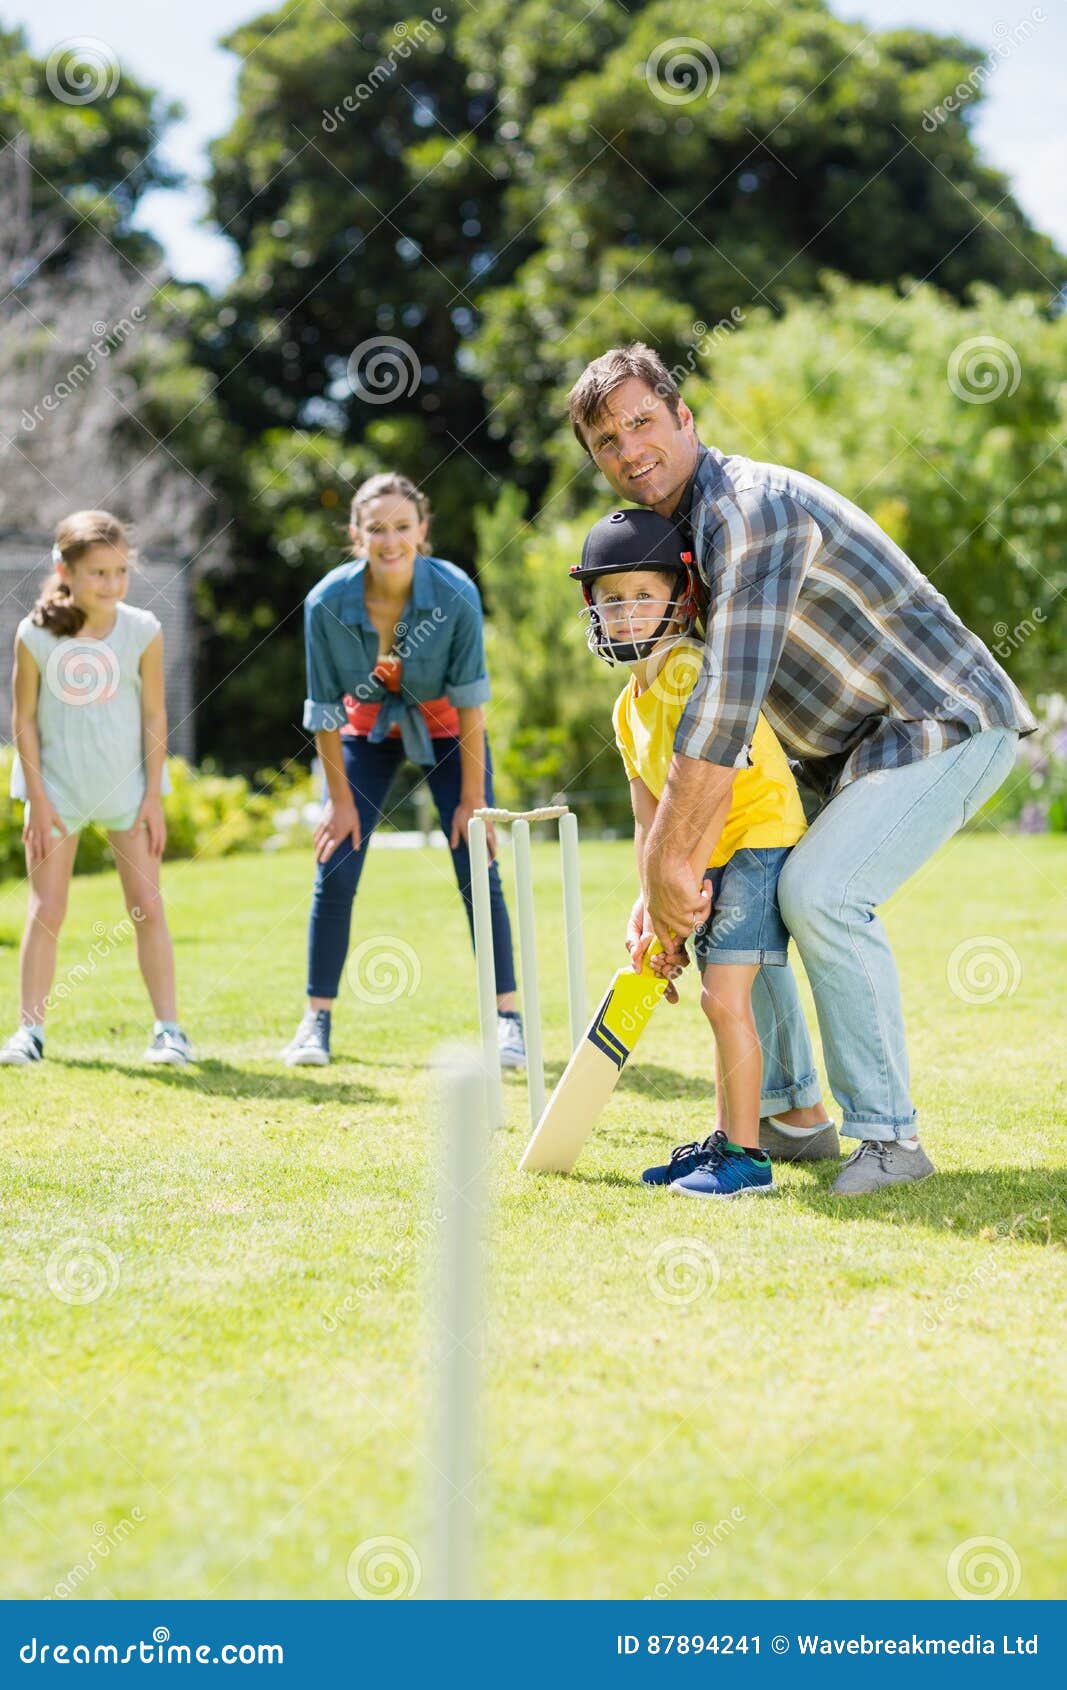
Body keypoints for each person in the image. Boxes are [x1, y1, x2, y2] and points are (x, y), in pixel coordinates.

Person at [567, 342, 1035, 1194]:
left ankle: (890, 1143)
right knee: (746, 889)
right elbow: (696, 749)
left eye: (642, 421)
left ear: (684, 419)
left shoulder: (748, 513)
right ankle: (788, 1118)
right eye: (606, 440)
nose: (630, 448)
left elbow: (724, 709)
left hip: (941, 721)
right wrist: (664, 882)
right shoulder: (675, 548)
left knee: (819, 893)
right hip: (851, 756)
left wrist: (670, 865)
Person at [572, 506, 835, 1195]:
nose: (625, 613)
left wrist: (684, 877)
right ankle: (730, 1142)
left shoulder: (692, 668)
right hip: (705, 851)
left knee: (722, 1001)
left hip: (756, 836)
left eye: (641, 596)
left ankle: (743, 1159)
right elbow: (647, 818)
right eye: (611, 600)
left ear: (678, 598)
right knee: (717, 1000)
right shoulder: (626, 710)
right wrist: (649, 904)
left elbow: (719, 784)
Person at [283, 472, 525, 1068]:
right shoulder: (325, 603)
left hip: (446, 727)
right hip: (364, 730)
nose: (389, 540)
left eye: (401, 527)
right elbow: (321, 711)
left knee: (478, 859)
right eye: (376, 528)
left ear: (422, 530)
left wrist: (473, 800)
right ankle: (316, 1021)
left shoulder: (455, 593)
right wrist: (340, 804)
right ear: (356, 534)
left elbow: (472, 702)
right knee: (335, 862)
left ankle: (508, 1020)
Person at [1, 510, 191, 1067]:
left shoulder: (143, 630)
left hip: (126, 792)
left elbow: (156, 716)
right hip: (55, 793)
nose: (111, 585)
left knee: (147, 908)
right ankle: (28, 1034)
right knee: (47, 909)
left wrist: (153, 796)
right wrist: (37, 797)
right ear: (65, 570)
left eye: (120, 572)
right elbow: (25, 720)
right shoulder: (34, 633)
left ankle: (170, 1030)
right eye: (97, 574)